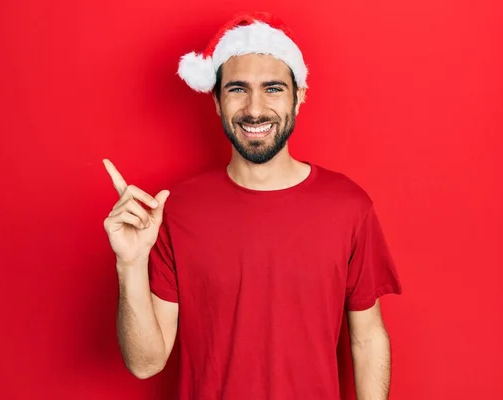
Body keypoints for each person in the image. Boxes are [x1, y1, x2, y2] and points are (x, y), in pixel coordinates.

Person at [103, 11, 402, 400]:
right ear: (216, 99)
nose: (255, 109)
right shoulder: (174, 213)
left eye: (274, 88)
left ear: (299, 97)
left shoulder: (349, 206)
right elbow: (146, 363)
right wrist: (130, 265)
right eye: (238, 89)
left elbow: (367, 338)